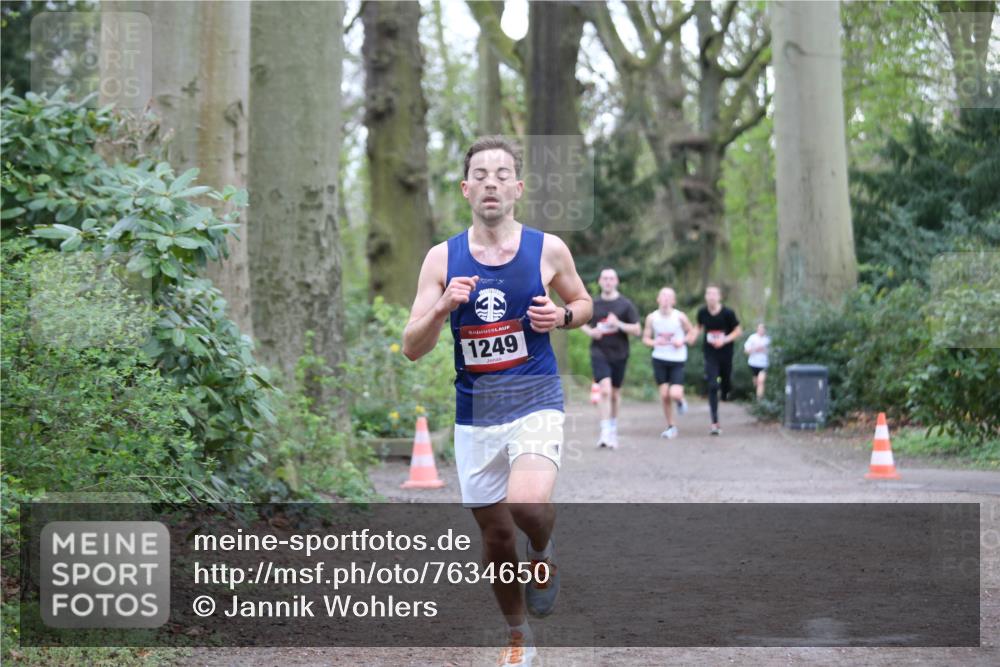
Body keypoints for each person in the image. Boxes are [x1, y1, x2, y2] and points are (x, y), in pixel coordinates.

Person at [402, 136, 592, 667]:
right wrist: (442, 307)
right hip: (476, 411)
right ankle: (517, 634)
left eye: (501, 173)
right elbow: (412, 347)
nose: (491, 181)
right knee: (496, 536)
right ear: (466, 189)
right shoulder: (442, 258)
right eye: (480, 174)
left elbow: (583, 301)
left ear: (517, 188)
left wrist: (564, 318)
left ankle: (544, 548)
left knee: (527, 505)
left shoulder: (547, 249)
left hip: (535, 396)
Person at [580, 268, 641, 449]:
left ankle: (613, 428)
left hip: (620, 353)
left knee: (614, 393)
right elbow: (580, 321)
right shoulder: (593, 303)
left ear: (616, 282)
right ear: (600, 281)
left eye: (611, 279)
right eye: (605, 278)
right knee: (604, 390)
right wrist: (591, 331)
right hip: (599, 352)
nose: (608, 282)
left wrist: (619, 324)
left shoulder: (625, 304)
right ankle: (605, 431)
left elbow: (637, 329)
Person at [641, 287, 694, 439]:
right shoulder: (652, 318)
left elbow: (692, 333)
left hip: (677, 359)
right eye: (662, 296)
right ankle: (671, 426)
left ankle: (680, 400)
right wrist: (654, 342)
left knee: (674, 393)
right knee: (664, 394)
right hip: (659, 358)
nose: (665, 299)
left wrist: (682, 340)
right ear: (658, 299)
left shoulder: (680, 317)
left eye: (668, 296)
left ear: (673, 301)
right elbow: (646, 338)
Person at [691, 285, 742, 436]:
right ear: (706, 297)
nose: (711, 296)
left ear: (719, 297)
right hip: (710, 353)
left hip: (726, 353)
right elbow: (699, 327)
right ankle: (715, 422)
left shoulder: (728, 313)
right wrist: (692, 336)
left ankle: (726, 390)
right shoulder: (702, 312)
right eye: (708, 294)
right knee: (712, 385)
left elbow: (738, 330)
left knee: (725, 382)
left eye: (714, 294)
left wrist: (724, 340)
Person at [744, 323, 771, 400]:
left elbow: (773, 351)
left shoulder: (768, 339)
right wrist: (755, 348)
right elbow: (746, 351)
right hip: (753, 363)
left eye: (763, 328)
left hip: (764, 364)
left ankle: (759, 401)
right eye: (760, 328)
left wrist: (765, 350)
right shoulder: (752, 338)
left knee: (761, 381)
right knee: (756, 382)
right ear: (757, 329)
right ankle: (756, 395)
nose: (761, 330)